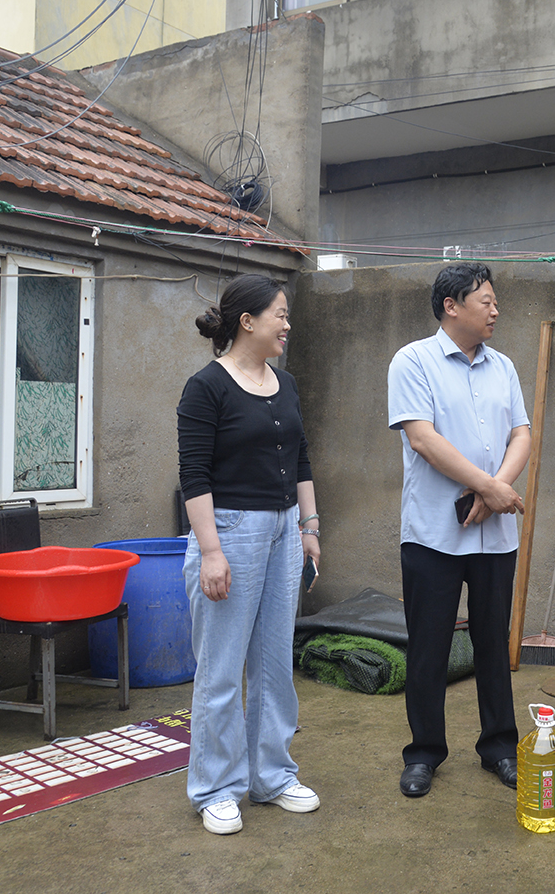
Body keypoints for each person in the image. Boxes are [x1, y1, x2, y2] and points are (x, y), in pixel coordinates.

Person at [177, 274, 322, 836]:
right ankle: (216, 787)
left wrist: (309, 526)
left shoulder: (284, 383)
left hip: (285, 530)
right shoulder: (206, 387)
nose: (287, 325)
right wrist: (211, 552)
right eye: (279, 315)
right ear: (247, 322)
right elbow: (194, 476)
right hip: (229, 532)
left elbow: (301, 458)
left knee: (274, 664)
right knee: (221, 669)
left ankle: (271, 776)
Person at [387, 262, 532, 798]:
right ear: (451, 306)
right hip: (432, 535)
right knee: (429, 647)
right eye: (485, 301)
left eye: (495, 301)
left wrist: (496, 490)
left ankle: (499, 747)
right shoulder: (412, 361)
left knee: (494, 643)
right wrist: (490, 488)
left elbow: (521, 434)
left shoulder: (504, 367)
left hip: (495, 536)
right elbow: (423, 439)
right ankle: (424, 753)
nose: (496, 310)